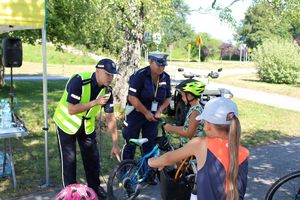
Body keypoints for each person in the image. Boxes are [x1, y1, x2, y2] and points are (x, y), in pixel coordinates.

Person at [149, 97, 249, 200]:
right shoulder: (244, 153)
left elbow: (168, 158)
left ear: (208, 126)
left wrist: (151, 162)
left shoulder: (201, 144)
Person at [53, 58, 121, 199]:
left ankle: (94, 189)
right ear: (97, 71)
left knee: (92, 159)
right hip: (67, 123)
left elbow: (110, 117)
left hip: (86, 126)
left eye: (112, 75)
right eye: (108, 74)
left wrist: (115, 144)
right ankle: (70, 194)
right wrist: (95, 103)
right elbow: (71, 109)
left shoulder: (107, 91)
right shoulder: (79, 81)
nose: (111, 78)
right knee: (69, 161)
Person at [121, 51, 172, 185]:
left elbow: (168, 97)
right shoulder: (139, 76)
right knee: (131, 143)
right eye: (158, 65)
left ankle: (147, 173)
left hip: (153, 115)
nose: (161, 68)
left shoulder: (165, 77)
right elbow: (132, 97)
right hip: (136, 113)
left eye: (163, 65)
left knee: (149, 145)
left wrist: (160, 109)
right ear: (150, 62)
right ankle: (124, 173)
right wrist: (145, 112)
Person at [163, 79, 206, 144]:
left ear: (189, 95)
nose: (182, 98)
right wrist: (174, 127)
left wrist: (171, 128)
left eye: (182, 96)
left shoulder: (195, 112)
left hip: (191, 148)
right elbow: (186, 128)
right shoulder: (194, 108)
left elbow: (189, 134)